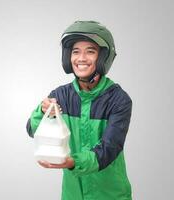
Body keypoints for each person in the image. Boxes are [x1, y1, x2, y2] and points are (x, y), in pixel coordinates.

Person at [26, 21, 132, 200]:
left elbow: (109, 149)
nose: (81, 58)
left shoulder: (118, 100)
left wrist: (72, 162)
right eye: (76, 51)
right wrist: (42, 112)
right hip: (72, 194)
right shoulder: (60, 95)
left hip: (110, 195)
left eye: (90, 51)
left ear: (103, 58)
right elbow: (32, 130)